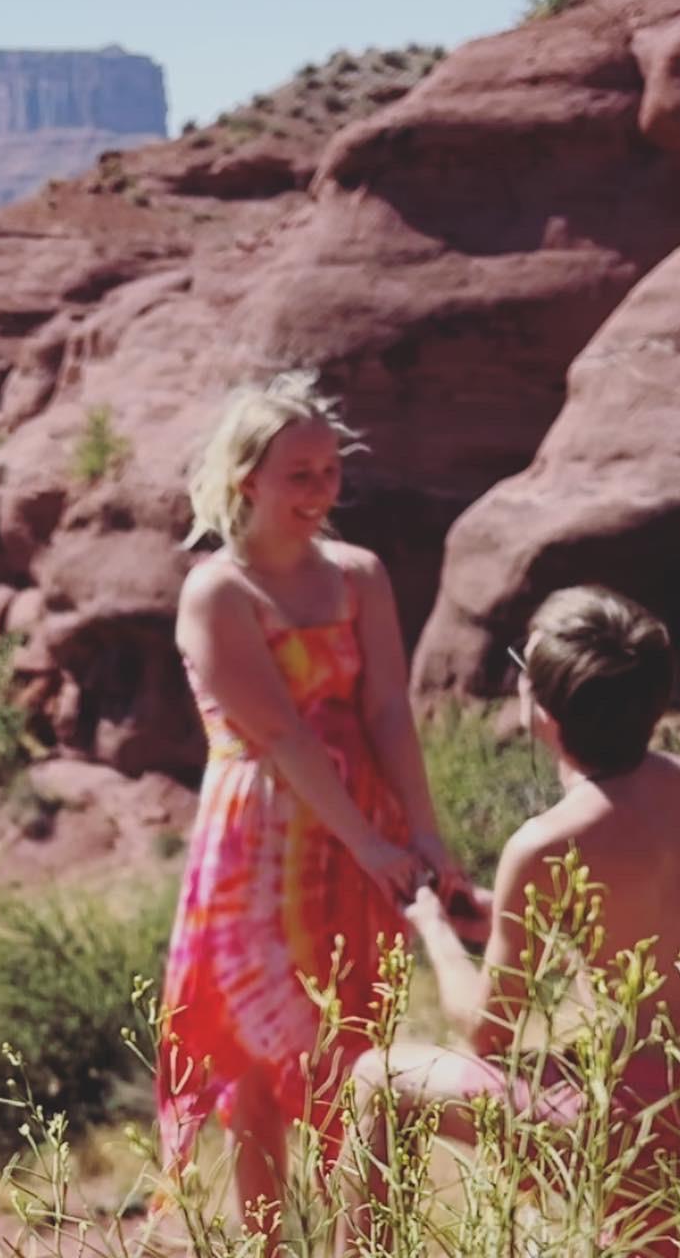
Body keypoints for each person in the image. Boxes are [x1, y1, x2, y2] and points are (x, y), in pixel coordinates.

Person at [157, 371, 471, 1239]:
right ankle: (264, 1244)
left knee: (359, 1040)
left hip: (358, 826)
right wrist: (375, 845)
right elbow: (284, 737)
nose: (320, 491)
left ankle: (366, 1238)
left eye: (330, 472)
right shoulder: (219, 592)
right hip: (260, 839)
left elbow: (386, 713)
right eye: (300, 474)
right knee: (258, 1063)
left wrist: (423, 834)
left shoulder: (359, 575)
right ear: (246, 478)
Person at [339, 585, 680, 1255]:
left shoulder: (545, 844)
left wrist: (435, 929)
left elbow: (488, 1031)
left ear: (542, 712)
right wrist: (502, 916)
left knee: (379, 1078)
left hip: (625, 1125)